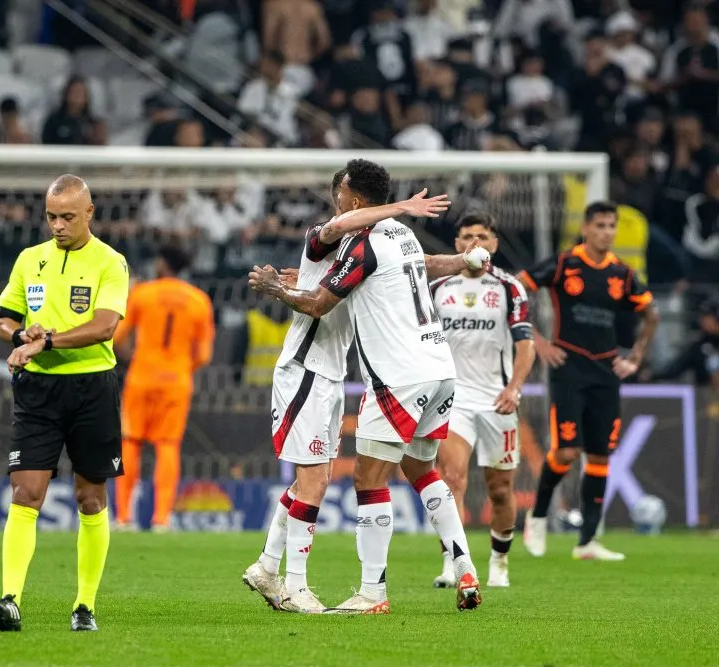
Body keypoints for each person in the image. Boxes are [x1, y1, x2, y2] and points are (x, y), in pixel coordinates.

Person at [246, 159, 487, 614]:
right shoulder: (401, 234)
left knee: (365, 479)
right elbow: (419, 262)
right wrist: (462, 260)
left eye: (339, 194)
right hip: (440, 367)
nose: (334, 204)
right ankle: (463, 564)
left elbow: (318, 301)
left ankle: (370, 592)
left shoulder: (363, 243)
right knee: (418, 470)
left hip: (396, 375)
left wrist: (276, 288)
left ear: (354, 199)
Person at [0, 174, 129, 632]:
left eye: (67, 216)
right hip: (38, 391)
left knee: (90, 498)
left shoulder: (110, 262)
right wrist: (19, 335)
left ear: (90, 212)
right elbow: (5, 319)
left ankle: (84, 605)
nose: (58, 225)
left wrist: (46, 343)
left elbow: (105, 327)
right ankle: (10, 600)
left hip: (91, 388)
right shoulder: (30, 260)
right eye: (51, 217)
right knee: (26, 493)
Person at [519, 201, 659, 561]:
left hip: (607, 370)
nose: (607, 232)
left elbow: (651, 313)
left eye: (611, 225)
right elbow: (517, 288)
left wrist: (636, 356)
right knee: (566, 451)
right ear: (586, 228)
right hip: (568, 367)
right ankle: (537, 518)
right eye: (600, 225)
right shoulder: (566, 264)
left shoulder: (621, 273)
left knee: (600, 455)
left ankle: (587, 541)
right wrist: (538, 340)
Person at [429, 214, 536, 589]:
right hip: (452, 397)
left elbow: (526, 345)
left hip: (497, 400)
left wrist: (514, 388)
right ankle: (454, 561)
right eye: (467, 236)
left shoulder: (509, 288)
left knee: (500, 489)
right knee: (451, 478)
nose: (475, 241)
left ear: (494, 243)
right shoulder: (438, 287)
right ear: (457, 244)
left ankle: (500, 560)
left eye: (482, 236)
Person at [112, 246, 215, 532]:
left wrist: (134, 356)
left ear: (162, 263)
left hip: (142, 377)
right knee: (168, 445)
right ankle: (161, 518)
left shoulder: (143, 293)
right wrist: (181, 366)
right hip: (176, 381)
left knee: (130, 442)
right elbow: (204, 355)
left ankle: (123, 518)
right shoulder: (199, 300)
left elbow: (118, 337)